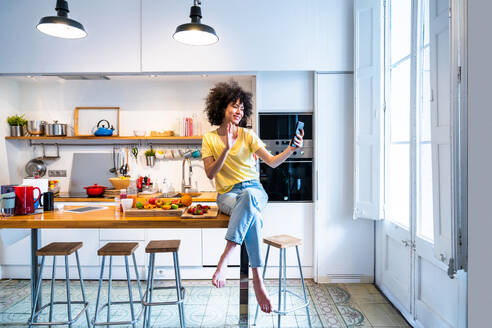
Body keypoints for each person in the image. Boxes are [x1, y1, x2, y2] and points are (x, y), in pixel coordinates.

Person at [201, 80, 304, 313]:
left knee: (248, 196)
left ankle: (224, 260)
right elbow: (210, 173)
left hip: (254, 190)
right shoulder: (209, 139)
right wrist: (226, 148)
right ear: (221, 107)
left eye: (242, 107)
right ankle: (258, 277)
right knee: (253, 218)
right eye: (234, 106)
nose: (239, 111)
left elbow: (273, 162)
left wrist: (291, 149)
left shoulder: (248, 135)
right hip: (227, 194)